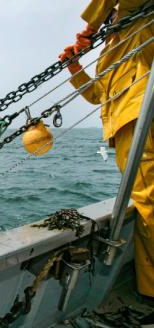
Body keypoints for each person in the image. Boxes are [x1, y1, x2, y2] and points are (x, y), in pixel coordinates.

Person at [59, 0, 154, 303]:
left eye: (112, 13)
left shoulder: (143, 20)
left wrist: (88, 29)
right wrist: (74, 67)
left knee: (149, 203)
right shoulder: (113, 49)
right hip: (125, 125)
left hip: (140, 119)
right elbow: (98, 94)